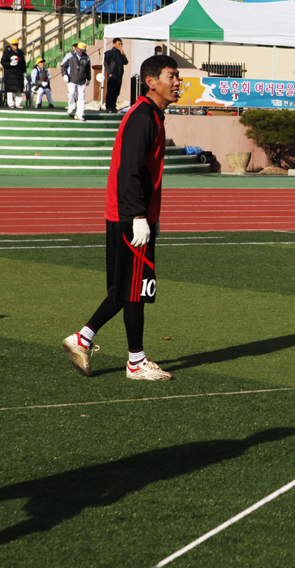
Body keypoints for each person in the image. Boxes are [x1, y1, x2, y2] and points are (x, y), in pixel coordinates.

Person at [61, 54, 181, 380]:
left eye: (177, 76)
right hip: (129, 216)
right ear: (151, 81)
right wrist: (139, 216)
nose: (177, 82)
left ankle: (82, 339)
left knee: (123, 290)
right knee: (136, 290)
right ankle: (136, 362)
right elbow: (129, 170)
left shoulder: (150, 115)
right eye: (171, 76)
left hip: (124, 214)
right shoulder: (144, 117)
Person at [61, 42, 91, 122]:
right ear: (77, 48)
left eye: (83, 50)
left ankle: (79, 114)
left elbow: (88, 69)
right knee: (71, 93)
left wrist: (89, 78)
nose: (81, 52)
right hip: (71, 79)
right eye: (80, 50)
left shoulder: (86, 57)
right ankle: (71, 107)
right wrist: (64, 74)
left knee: (81, 97)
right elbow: (63, 65)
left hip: (81, 80)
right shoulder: (70, 55)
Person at [102, 37, 129, 113]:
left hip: (119, 75)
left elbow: (126, 62)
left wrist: (123, 54)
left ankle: (114, 106)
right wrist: (109, 72)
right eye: (118, 44)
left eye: (121, 44)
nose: (120, 45)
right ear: (114, 44)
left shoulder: (120, 53)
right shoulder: (110, 53)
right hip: (112, 74)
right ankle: (109, 107)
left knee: (116, 92)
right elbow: (106, 63)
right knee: (111, 91)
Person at [2, 37, 26, 108]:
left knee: (19, 89)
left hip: (19, 73)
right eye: (14, 45)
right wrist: (10, 64)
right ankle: (11, 103)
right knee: (10, 89)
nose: (16, 46)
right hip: (10, 74)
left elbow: (23, 63)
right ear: (11, 45)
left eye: (17, 45)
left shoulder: (20, 52)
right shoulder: (7, 52)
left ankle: (18, 103)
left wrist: (24, 71)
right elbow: (3, 62)